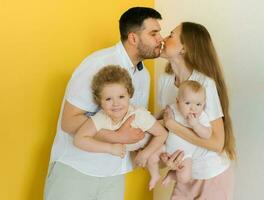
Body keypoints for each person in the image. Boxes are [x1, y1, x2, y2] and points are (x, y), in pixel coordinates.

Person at [44, 7, 163, 200]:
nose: (160, 39)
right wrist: (116, 136)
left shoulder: (143, 76)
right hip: (76, 170)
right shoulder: (97, 64)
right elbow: (69, 121)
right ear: (133, 38)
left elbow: (132, 126)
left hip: (113, 176)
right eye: (153, 33)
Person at [157, 22, 236, 199]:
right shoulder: (165, 81)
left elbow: (217, 143)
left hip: (212, 176)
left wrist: (173, 126)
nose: (163, 38)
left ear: (184, 48)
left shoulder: (205, 83)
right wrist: (165, 159)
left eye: (170, 35)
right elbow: (166, 132)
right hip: (184, 174)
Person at [73, 65, 167, 183]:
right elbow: (79, 140)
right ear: (100, 102)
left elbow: (162, 134)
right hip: (145, 149)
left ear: (129, 95)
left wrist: (145, 153)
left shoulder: (137, 115)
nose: (116, 104)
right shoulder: (102, 117)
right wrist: (110, 148)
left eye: (121, 97)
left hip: (162, 143)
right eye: (108, 99)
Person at [147, 80, 211, 190]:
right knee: (151, 158)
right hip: (166, 148)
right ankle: (154, 175)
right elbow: (163, 113)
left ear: (204, 104)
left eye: (198, 104)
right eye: (187, 103)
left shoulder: (201, 117)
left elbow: (207, 134)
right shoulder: (174, 109)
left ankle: (172, 175)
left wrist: (196, 125)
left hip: (185, 154)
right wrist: (154, 118)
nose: (193, 108)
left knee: (185, 177)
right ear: (178, 101)